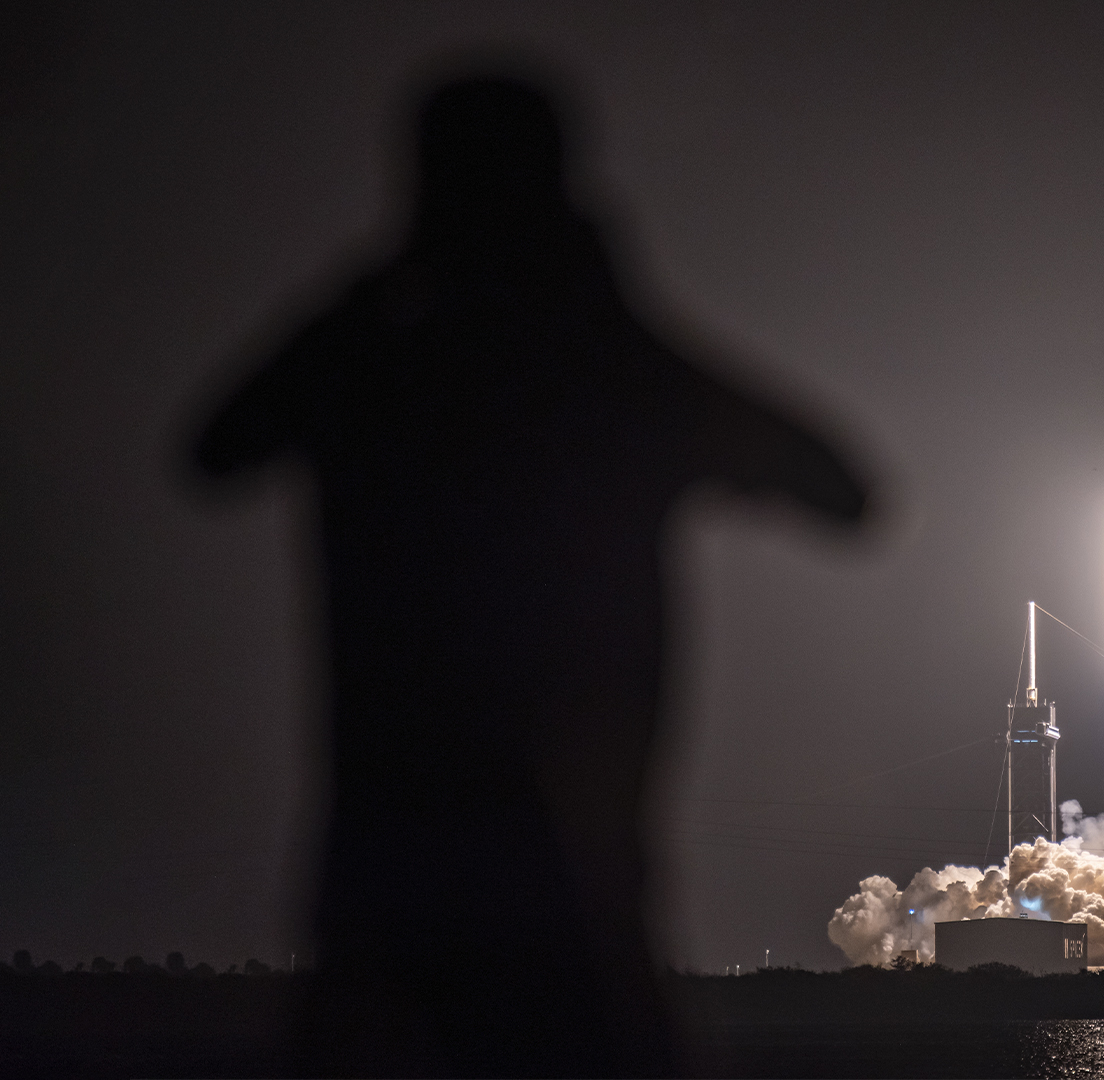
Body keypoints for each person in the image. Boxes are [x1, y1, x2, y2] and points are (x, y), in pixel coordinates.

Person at [194, 73, 871, 1077]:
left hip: (385, 877)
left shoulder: (368, 376)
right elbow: (844, 491)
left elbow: (215, 450)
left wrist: (369, 287)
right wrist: (628, 316)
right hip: (570, 889)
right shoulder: (615, 383)